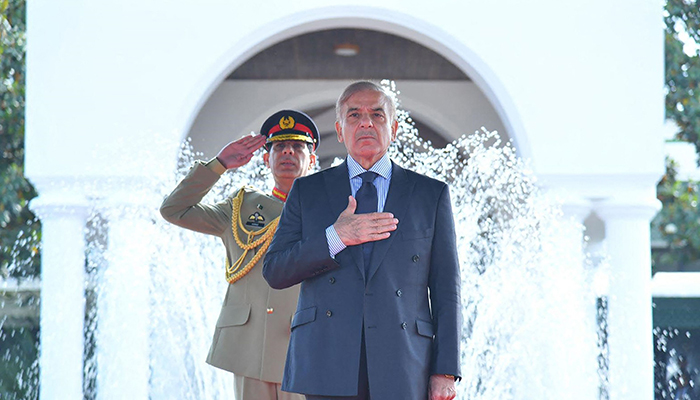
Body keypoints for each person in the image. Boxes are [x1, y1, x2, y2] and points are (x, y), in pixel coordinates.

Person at [263, 81, 461, 400]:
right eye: (354, 115)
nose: (366, 122)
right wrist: (335, 237)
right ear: (340, 130)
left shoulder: (430, 194)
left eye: (377, 115)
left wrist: (445, 370)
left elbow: (446, 289)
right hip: (327, 360)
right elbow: (275, 271)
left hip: (405, 361)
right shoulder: (307, 192)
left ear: (393, 128)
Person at [160, 110, 319, 400]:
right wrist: (218, 165)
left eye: (298, 147)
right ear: (264, 158)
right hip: (250, 347)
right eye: (279, 146)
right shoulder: (242, 207)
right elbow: (174, 210)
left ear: (312, 159)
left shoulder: (330, 210)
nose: (288, 152)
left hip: (305, 346)